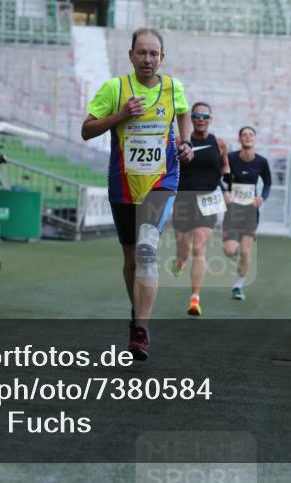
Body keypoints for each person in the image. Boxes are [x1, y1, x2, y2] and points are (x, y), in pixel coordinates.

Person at [81, 27, 193, 360]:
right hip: (124, 182)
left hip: (162, 181)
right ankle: (137, 315)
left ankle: (140, 330)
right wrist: (120, 115)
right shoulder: (114, 88)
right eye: (141, 53)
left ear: (162, 57)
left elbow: (183, 112)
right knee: (131, 259)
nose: (147, 59)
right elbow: (86, 130)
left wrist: (185, 142)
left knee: (146, 251)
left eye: (153, 54)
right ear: (131, 56)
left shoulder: (174, 88)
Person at [170, 102, 230, 317]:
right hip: (184, 199)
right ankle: (180, 261)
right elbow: (167, 167)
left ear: (210, 119)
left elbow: (224, 168)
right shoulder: (179, 142)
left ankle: (195, 299)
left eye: (205, 116)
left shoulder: (220, 144)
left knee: (199, 248)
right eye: (196, 115)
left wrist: (226, 188)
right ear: (191, 119)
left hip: (209, 200)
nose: (201, 119)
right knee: (183, 250)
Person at [222, 126, 271, 301]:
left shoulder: (262, 162)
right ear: (240, 139)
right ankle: (234, 251)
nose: (247, 137)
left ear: (255, 139)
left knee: (245, 251)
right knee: (229, 251)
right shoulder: (231, 158)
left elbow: (268, 183)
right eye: (244, 135)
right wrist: (224, 192)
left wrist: (262, 198)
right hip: (233, 211)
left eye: (250, 135)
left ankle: (238, 286)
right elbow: (221, 178)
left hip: (251, 212)